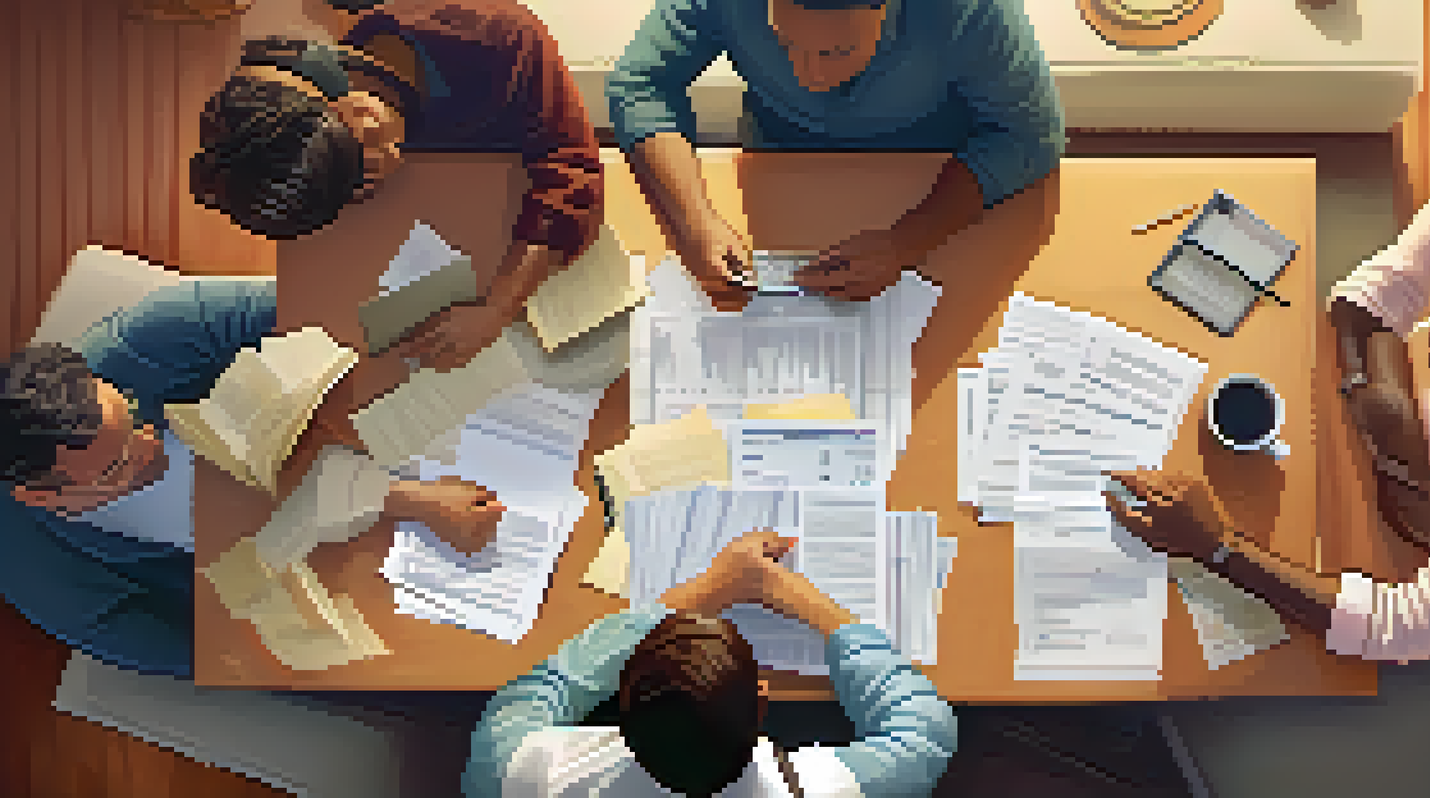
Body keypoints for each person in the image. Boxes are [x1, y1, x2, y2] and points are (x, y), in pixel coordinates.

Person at [1098, 135, 1430, 795]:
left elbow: (1399, 627)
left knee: (1187, 641)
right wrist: (1390, 421)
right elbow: (1372, 296)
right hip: (1356, 451)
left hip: (1397, 564)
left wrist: (1217, 546)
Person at [0, 279, 505, 678]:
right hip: (323, 589)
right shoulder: (40, 576)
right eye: (117, 467)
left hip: (374, 438)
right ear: (41, 497)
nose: (151, 446)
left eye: (131, 414)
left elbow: (325, 307)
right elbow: (199, 653)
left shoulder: (145, 340)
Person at [191, 0, 604, 372]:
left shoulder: (500, 38)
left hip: (536, 283)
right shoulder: (328, 117)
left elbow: (575, 176)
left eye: (362, 161)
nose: (379, 161)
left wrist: (497, 308)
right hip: (433, 285)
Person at [607, 0, 1067, 311]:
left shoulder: (973, 10)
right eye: (785, 43)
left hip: (931, 175)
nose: (809, 77)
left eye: (837, 51)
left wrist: (909, 240)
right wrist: (692, 220)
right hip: (778, 168)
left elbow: (1029, 134)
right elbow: (639, 84)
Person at [462, 528, 958, 797]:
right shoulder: (817, 790)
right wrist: (818, 611)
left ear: (619, 711)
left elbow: (544, 688)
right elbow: (923, 731)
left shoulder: (535, 773)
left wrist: (708, 588)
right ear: (762, 704)